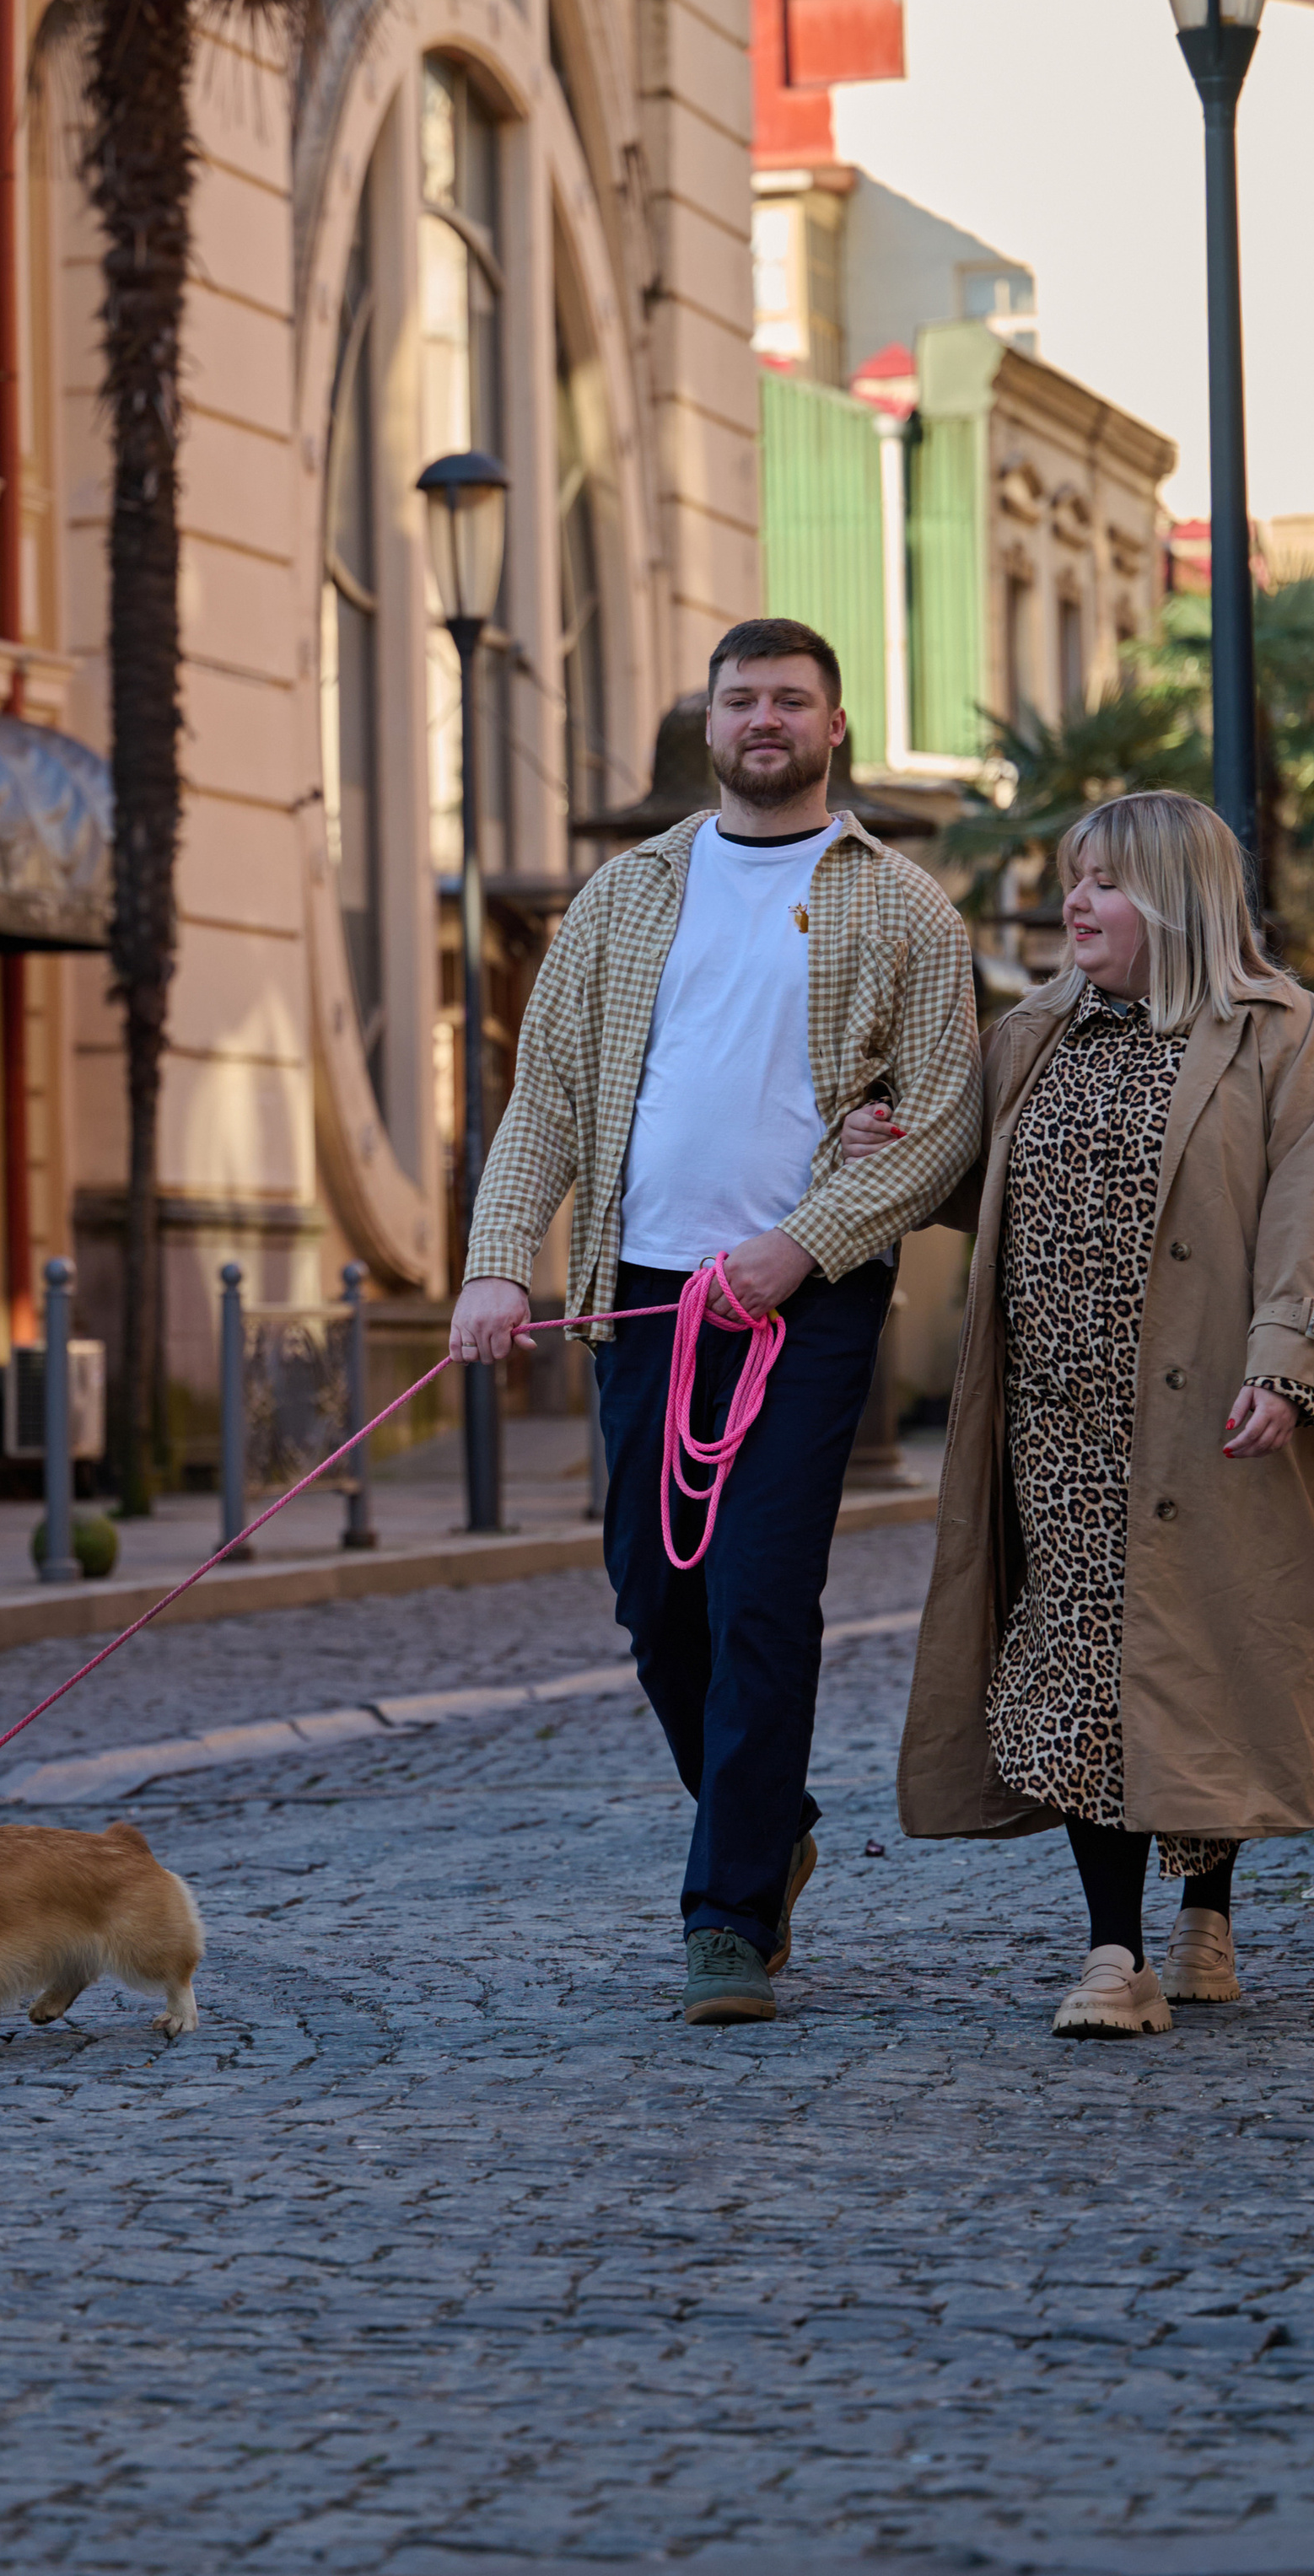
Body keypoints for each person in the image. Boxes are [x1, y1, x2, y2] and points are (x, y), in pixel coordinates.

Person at [450, 617, 982, 2027]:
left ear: (835, 726)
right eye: (742, 698)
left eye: (791, 699)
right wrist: (499, 1264)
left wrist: (798, 1249)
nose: (765, 719)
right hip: (641, 1293)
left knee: (757, 1593)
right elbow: (546, 1100)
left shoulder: (905, 908)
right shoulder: (622, 897)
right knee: (654, 1596)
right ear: (710, 721)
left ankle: (728, 1917)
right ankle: (768, 1819)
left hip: (804, 1302)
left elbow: (940, 1125)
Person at [876, 789, 1314, 2037]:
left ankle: (1207, 1914)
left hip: (1217, 1412)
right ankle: (1116, 1955)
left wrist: (1287, 1362)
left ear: (1176, 897)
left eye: (1105, 882)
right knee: (1084, 1668)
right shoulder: (1031, 1033)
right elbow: (972, 1180)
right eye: (1074, 877)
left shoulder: (1285, 1036)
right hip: (1061, 1421)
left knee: (1205, 1654)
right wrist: (885, 1144)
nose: (1077, 902)